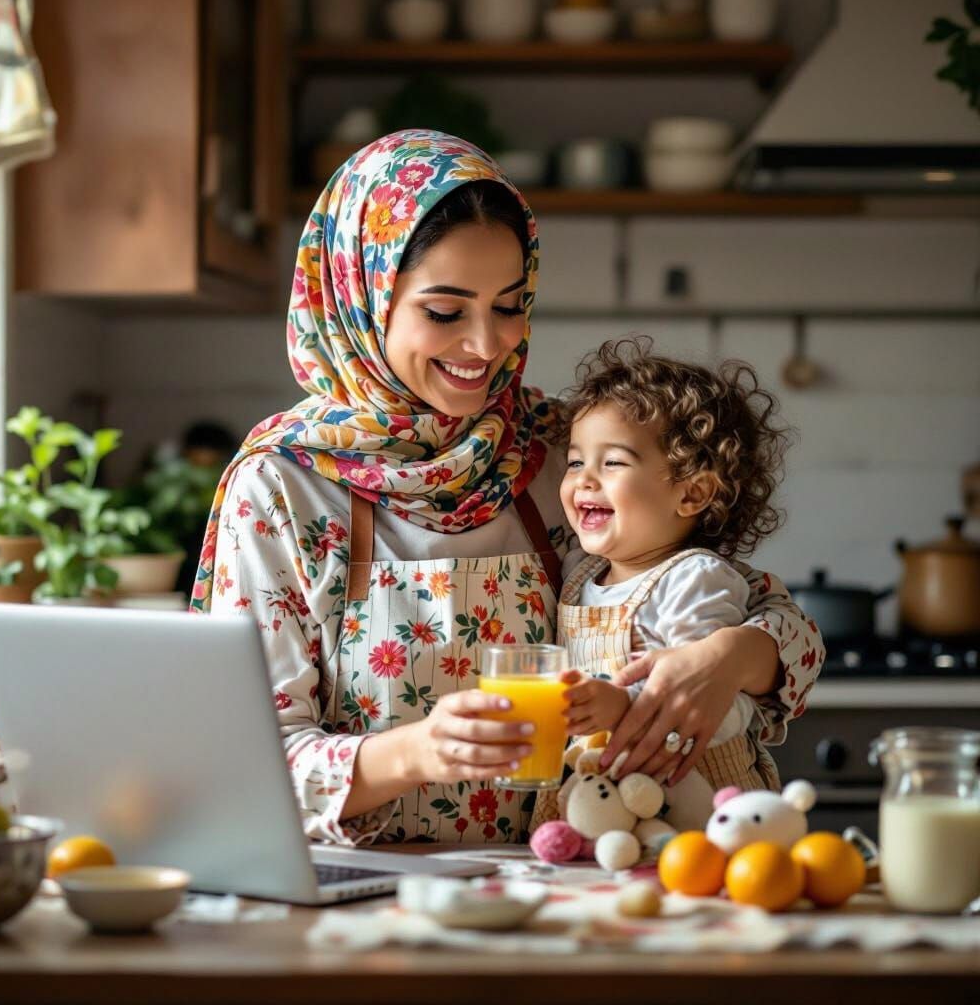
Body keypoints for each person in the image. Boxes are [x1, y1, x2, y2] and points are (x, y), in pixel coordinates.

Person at [191, 130, 823, 846]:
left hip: (568, 884)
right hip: (376, 893)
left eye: (510, 304)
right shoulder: (283, 488)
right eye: (445, 312)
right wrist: (416, 754)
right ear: (362, 299)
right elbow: (241, 758)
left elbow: (790, 635)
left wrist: (728, 658)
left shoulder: (559, 451)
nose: (488, 345)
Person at [539, 338, 798, 832]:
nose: (584, 480)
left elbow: (724, 709)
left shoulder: (695, 581)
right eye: (575, 462)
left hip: (698, 819)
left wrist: (621, 707)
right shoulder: (578, 574)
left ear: (692, 492)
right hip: (610, 812)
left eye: (612, 463)